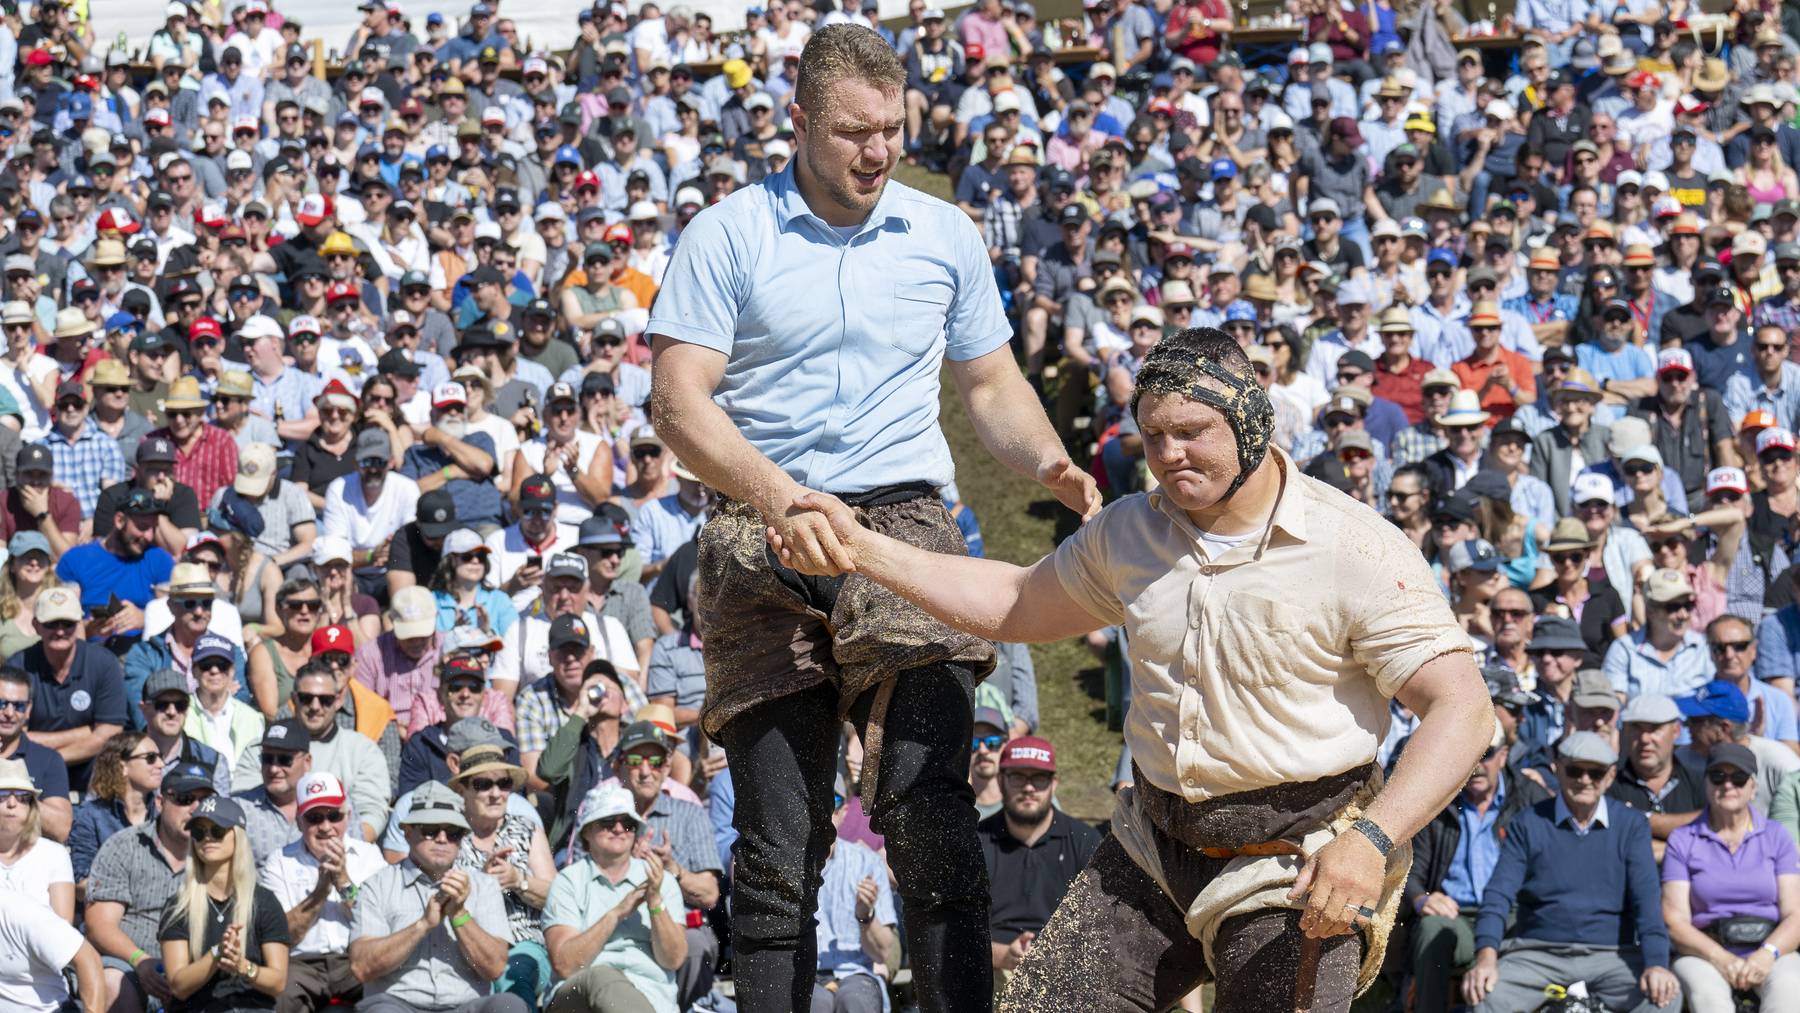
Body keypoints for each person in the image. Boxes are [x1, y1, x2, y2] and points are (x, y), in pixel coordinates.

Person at [779, 328, 1492, 1011]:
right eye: (1153, 436)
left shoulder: (1355, 547)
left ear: (1250, 423)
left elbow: (1463, 709)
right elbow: (1011, 602)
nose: (1169, 453)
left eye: (1192, 431)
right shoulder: (1130, 531)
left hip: (1296, 857)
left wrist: (1371, 840)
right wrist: (860, 548)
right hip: (1155, 844)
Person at [649, 27, 1099, 1010]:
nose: (878, 150)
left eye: (893, 130)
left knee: (930, 808)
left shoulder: (942, 232)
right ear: (799, 120)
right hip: (759, 523)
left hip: (903, 525)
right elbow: (679, 404)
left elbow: (990, 384)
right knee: (780, 843)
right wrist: (780, 497)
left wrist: (1051, 457)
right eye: (853, 131)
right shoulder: (728, 231)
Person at [1461, 732, 1680, 1012]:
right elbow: (1498, 894)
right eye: (1575, 770)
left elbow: (1647, 901)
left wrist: (1657, 965)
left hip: (1613, 956)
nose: (1585, 780)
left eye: (1596, 773)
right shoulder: (1528, 823)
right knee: (1486, 997)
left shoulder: (1631, 825)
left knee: (1664, 999)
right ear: (1558, 768)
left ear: (1611, 776)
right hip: (1536, 953)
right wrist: (1486, 957)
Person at [347, 781, 526, 1013]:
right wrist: (422, 925)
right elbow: (362, 967)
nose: (442, 839)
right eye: (430, 830)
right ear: (407, 832)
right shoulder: (377, 885)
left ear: (462, 839)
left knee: (509, 1006)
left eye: (452, 832)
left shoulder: (484, 886)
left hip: (465, 1006)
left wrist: (460, 915)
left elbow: (494, 968)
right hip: (397, 1005)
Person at [1404, 733, 1551, 1013]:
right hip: (1457, 915)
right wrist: (1421, 899)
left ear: (1504, 755)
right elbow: (1407, 869)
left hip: (1514, 915)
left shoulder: (1530, 796)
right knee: (1432, 927)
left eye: (1487, 754)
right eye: (1468, 751)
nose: (1477, 764)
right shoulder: (1436, 798)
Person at [1660, 741, 1800, 1013]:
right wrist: (1720, 958)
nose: (1728, 785)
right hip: (1704, 951)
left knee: (1789, 992)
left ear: (1753, 787)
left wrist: (1766, 954)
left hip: (1770, 948)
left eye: (1738, 778)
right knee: (1709, 1000)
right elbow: (1674, 920)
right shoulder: (1682, 839)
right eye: (1718, 776)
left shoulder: (1776, 836)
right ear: (1706, 783)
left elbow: (1795, 913)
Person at [542, 782, 688, 1013]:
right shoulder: (568, 882)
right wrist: (616, 914)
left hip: (652, 997)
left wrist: (655, 904)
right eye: (608, 822)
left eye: (628, 824)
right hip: (579, 999)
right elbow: (565, 965)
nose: (619, 829)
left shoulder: (661, 881)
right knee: (603, 977)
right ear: (587, 831)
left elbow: (673, 960)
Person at [85, 760, 216, 1013]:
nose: (196, 808)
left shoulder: (219, 852)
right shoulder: (125, 846)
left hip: (197, 968)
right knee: (113, 984)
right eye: (185, 798)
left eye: (205, 800)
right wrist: (140, 960)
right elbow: (98, 925)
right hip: (131, 965)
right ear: (160, 803)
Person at [979, 737, 1099, 994]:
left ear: (1054, 784)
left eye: (1040, 778)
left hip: (1068, 972)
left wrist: (1055, 957)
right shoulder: (976, 843)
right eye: (1018, 777)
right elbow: (956, 935)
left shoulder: (1084, 842)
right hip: (993, 971)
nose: (1029, 787)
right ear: (1000, 780)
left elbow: (1101, 928)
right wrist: (1003, 956)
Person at [259, 772, 386, 1013]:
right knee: (277, 1000)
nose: (326, 827)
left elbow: (380, 926)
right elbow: (281, 935)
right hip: (301, 965)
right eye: (315, 818)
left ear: (347, 818)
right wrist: (320, 891)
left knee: (389, 998)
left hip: (355, 961)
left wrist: (342, 881)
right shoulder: (280, 861)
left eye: (334, 816)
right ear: (299, 821)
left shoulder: (370, 856)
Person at [158, 795, 292, 1011]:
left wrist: (243, 966)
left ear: (237, 837)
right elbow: (178, 986)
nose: (207, 838)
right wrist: (216, 953)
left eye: (217, 830)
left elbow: (278, 983)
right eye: (200, 832)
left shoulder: (264, 902)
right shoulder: (178, 907)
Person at [450, 743, 556, 1009]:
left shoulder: (526, 829)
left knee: (512, 977)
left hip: (523, 943)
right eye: (483, 784)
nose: (496, 794)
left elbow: (557, 896)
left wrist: (518, 881)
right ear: (462, 789)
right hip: (466, 947)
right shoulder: (448, 834)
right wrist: (482, 885)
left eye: (504, 783)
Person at [232, 667, 391, 843]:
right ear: (293, 699)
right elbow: (242, 804)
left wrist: (328, 849)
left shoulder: (363, 750)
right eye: (306, 698)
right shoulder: (260, 748)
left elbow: (371, 814)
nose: (315, 707)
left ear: (338, 700)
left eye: (325, 700)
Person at [12, 583, 127, 791]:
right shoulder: (18, 667)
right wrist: (86, 732)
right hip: (29, 772)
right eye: (51, 623)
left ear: (79, 624)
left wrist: (52, 759)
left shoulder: (104, 664)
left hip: (92, 772)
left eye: (68, 623)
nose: (60, 631)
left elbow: (110, 733)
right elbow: (14, 736)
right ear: (36, 625)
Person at [1608, 694, 1707, 860]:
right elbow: (1614, 844)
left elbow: (1714, 832)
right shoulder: (1608, 783)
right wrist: (1687, 842)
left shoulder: (1701, 781)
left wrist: (1635, 819)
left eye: (1654, 728)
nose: (1644, 739)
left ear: (1676, 730)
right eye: (1636, 728)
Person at [69, 732, 164, 883]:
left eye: (161, 756)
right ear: (123, 766)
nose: (161, 764)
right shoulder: (91, 815)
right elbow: (81, 879)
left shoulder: (164, 813)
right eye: (150, 758)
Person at [0, 665, 70, 841]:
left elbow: (61, 829)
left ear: (29, 709)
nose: (9, 713)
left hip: (26, 859)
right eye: (1, 703)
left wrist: (19, 797)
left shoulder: (47, 759)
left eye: (19, 706)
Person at [0, 757, 73, 922]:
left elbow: (63, 930)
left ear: (32, 805)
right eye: (2, 795)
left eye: (22, 796)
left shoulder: (54, 855)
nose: (12, 803)